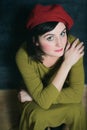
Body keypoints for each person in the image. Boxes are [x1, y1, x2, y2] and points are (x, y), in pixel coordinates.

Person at [15, 4, 86, 130]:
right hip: (34, 98)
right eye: (50, 37)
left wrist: (35, 96)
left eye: (63, 33)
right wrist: (66, 64)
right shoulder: (23, 55)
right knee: (38, 115)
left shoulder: (73, 47)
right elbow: (44, 103)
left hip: (38, 95)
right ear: (35, 40)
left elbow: (76, 94)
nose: (60, 43)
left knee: (77, 109)